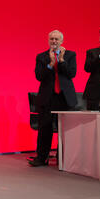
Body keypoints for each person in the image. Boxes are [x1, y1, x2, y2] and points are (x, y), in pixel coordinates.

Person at [29, 30, 77, 167]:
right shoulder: (41, 56)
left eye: (56, 39)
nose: (54, 41)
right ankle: (42, 158)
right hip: (47, 98)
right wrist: (50, 63)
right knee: (45, 128)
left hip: (64, 97)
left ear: (62, 41)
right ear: (48, 40)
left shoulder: (70, 55)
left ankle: (63, 157)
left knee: (66, 130)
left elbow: (71, 74)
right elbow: (39, 76)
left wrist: (61, 61)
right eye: (51, 39)